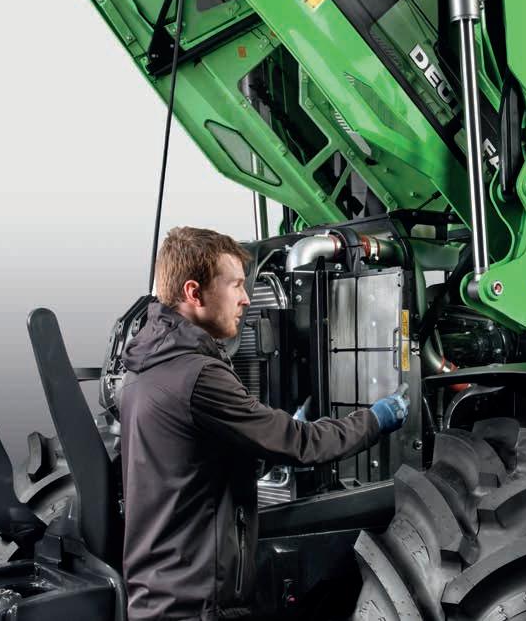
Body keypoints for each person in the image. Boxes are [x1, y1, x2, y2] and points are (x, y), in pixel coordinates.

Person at [117, 226, 409, 620]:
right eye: (235, 285)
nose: (245, 298)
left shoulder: (144, 368)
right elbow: (301, 444)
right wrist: (375, 419)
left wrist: (265, 449)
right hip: (195, 606)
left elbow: (194, 470)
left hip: (160, 597)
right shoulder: (197, 375)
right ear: (193, 293)